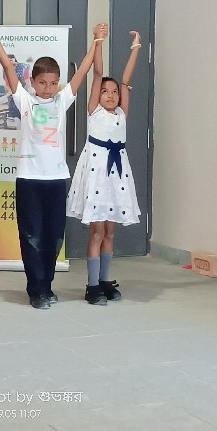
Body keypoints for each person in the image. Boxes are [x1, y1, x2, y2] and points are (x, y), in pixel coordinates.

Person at [0, 18, 96, 309]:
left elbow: (82, 72)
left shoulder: (62, 100)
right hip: (29, 179)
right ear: (33, 82)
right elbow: (8, 68)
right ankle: (36, 289)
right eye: (42, 83)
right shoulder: (25, 101)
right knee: (31, 235)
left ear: (58, 83)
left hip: (56, 180)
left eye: (53, 83)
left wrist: (97, 42)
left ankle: (46, 285)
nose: (48, 88)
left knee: (53, 236)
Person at [66, 24, 142, 305]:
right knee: (97, 231)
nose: (110, 95)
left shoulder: (121, 113)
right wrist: (98, 41)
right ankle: (92, 284)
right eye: (105, 91)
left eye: (114, 92)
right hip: (98, 172)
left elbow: (127, 79)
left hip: (117, 175)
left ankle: (105, 279)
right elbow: (97, 73)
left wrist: (136, 49)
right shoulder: (94, 111)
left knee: (110, 230)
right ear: (97, 96)